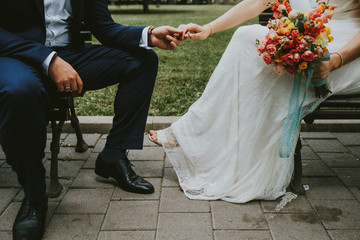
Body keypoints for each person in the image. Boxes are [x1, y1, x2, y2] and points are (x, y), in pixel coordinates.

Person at [0, 0, 182, 239]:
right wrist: (49, 59)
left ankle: (112, 156)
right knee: (19, 91)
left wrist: (147, 34)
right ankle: (35, 196)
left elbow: (104, 27)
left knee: (143, 61)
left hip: (71, 56)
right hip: (18, 56)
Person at [149, 0, 360, 203]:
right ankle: (209, 150)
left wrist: (334, 61)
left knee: (273, 73)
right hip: (309, 39)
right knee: (245, 36)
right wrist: (208, 28)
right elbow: (256, 2)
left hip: (345, 51)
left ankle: (234, 168)